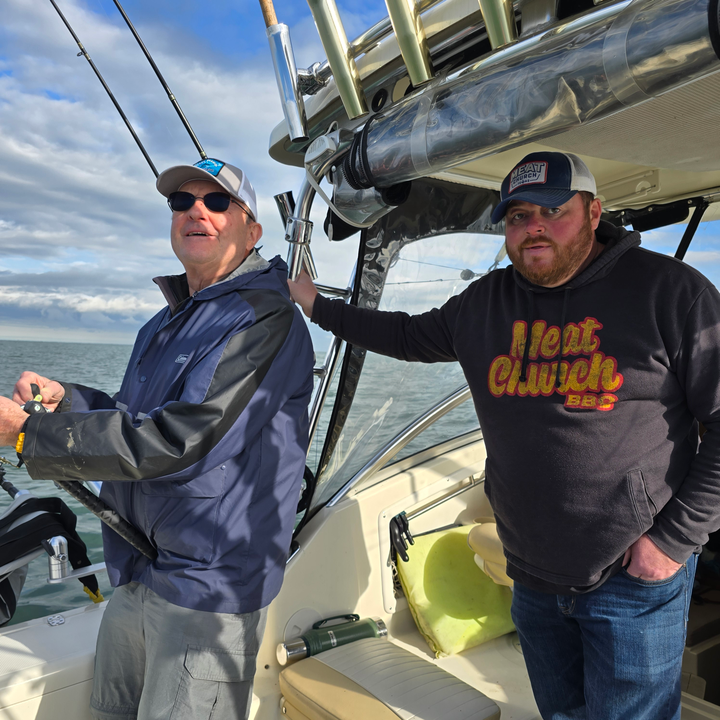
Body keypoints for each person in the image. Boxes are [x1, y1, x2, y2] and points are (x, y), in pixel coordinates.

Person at [288, 151, 720, 720]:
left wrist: (671, 542)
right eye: (518, 216)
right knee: (560, 713)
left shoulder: (672, 292)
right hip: (530, 572)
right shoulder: (486, 301)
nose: (533, 227)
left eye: (552, 211)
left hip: (631, 576)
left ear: (593, 213)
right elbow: (406, 335)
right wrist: (316, 305)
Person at [0, 158, 314, 720]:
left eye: (217, 202)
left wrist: (30, 434)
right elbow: (134, 418)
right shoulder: (164, 321)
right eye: (181, 202)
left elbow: (180, 442)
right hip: (137, 566)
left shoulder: (265, 320)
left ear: (253, 232)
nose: (197, 211)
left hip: (208, 587)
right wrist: (65, 401)